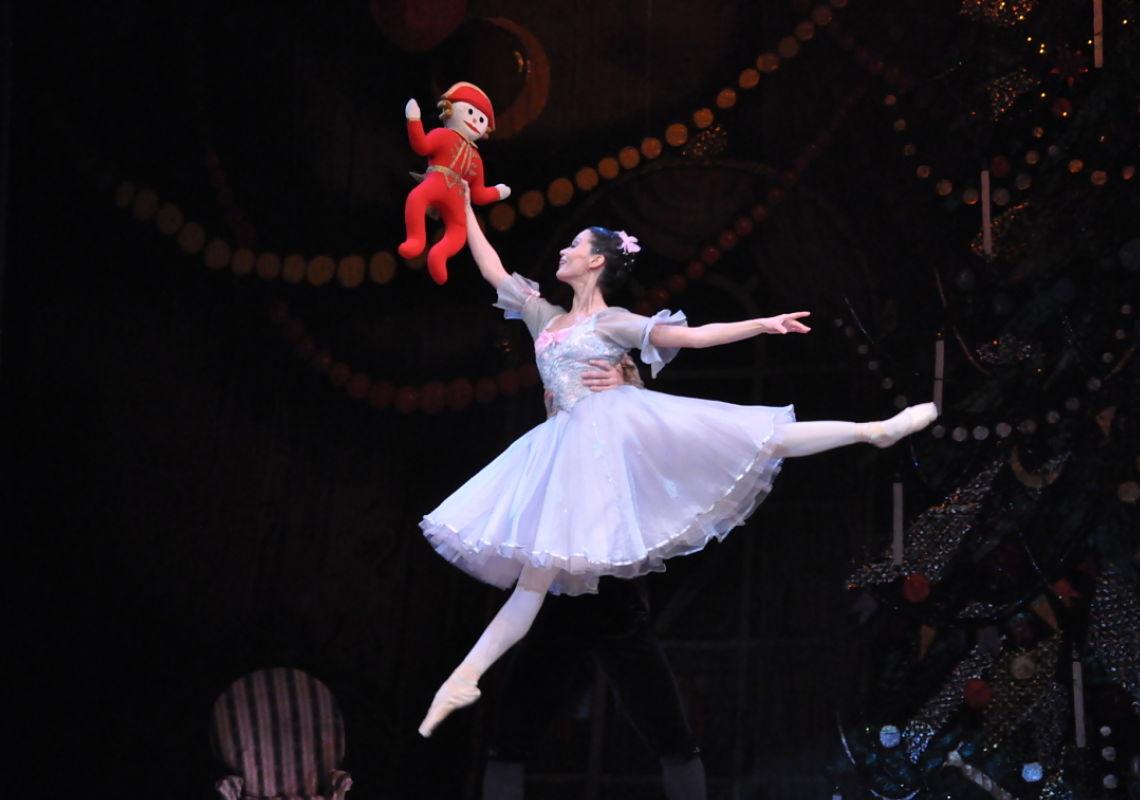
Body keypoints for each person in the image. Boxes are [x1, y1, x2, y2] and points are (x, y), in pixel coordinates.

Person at [417, 191, 938, 738]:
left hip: (620, 426)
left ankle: (873, 430)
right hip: (565, 448)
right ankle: (465, 678)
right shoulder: (546, 319)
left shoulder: (613, 322)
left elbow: (691, 336)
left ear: (596, 260)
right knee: (536, 576)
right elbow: (492, 267)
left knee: (754, 437)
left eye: (576, 246)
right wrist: (461, 203)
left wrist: (761, 323)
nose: (564, 252)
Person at [482, 359, 708, 800]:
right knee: (508, 739)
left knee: (672, 736)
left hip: (614, 600)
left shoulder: (627, 441)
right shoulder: (558, 440)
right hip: (556, 599)